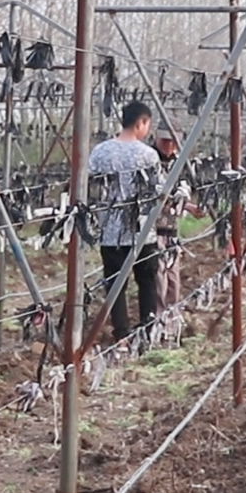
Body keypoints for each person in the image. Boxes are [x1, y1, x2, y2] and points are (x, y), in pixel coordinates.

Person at [88, 101, 163, 340]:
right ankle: (147, 330)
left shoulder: (100, 152)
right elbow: (158, 190)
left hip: (110, 232)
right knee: (147, 281)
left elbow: (90, 187)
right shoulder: (148, 155)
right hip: (143, 231)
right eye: (147, 125)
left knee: (115, 283)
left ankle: (121, 334)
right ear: (141, 122)